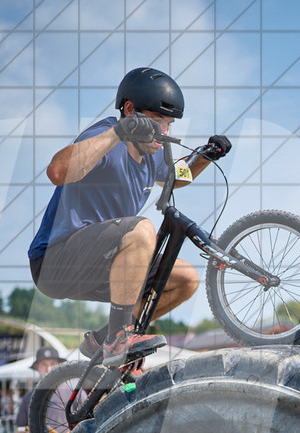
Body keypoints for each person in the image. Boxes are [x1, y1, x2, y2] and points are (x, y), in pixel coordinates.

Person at [27, 66, 231, 365]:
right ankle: (118, 337)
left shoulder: (151, 154)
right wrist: (119, 131)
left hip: (103, 261)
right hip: (55, 262)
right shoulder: (105, 136)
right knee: (142, 230)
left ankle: (104, 338)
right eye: (157, 122)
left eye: (169, 124)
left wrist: (206, 156)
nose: (164, 132)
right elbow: (57, 172)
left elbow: (176, 177)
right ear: (130, 110)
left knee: (185, 279)